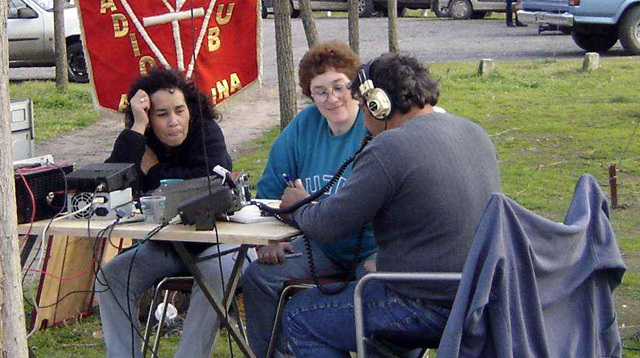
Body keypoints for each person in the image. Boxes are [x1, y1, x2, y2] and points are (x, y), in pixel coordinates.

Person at [279, 53, 501, 357]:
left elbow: (328, 226)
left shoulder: (390, 146)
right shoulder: (474, 132)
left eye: (362, 106)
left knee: (301, 316)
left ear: (378, 105)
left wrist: (299, 205)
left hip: (424, 303)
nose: (364, 121)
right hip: (478, 297)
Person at [96, 67, 245, 358]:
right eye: (161, 114)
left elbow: (204, 187)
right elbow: (112, 181)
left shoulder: (207, 133)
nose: (173, 121)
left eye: (179, 110)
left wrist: (153, 170)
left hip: (218, 241)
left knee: (213, 275)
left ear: (191, 110)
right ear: (150, 118)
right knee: (111, 277)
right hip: (168, 245)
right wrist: (137, 128)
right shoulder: (141, 139)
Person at [242, 41, 378, 358]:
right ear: (310, 95)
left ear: (355, 88)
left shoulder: (373, 125)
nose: (332, 99)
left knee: (377, 296)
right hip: (322, 246)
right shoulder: (304, 126)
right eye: (320, 91)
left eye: (339, 87)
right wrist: (270, 241)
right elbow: (270, 191)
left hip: (372, 247)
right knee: (259, 277)